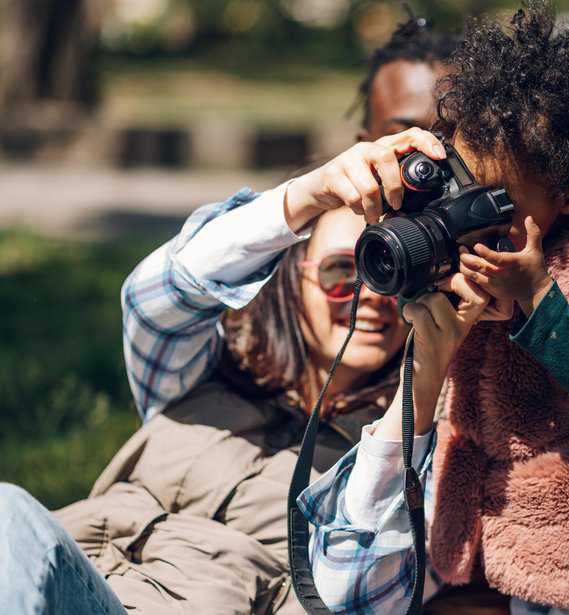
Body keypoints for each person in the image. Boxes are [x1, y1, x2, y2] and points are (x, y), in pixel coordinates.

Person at [0, 18, 470, 615]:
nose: (368, 296)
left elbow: (363, 597)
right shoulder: (202, 374)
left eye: (391, 277)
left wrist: (417, 393)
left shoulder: (417, 447)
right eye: (340, 274)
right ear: (294, 284)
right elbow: (156, 298)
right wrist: (308, 196)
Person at [297, 3, 569, 615]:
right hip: (522, 518)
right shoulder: (499, 242)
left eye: (493, 199)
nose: (472, 211)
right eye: (464, 183)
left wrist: (536, 294)